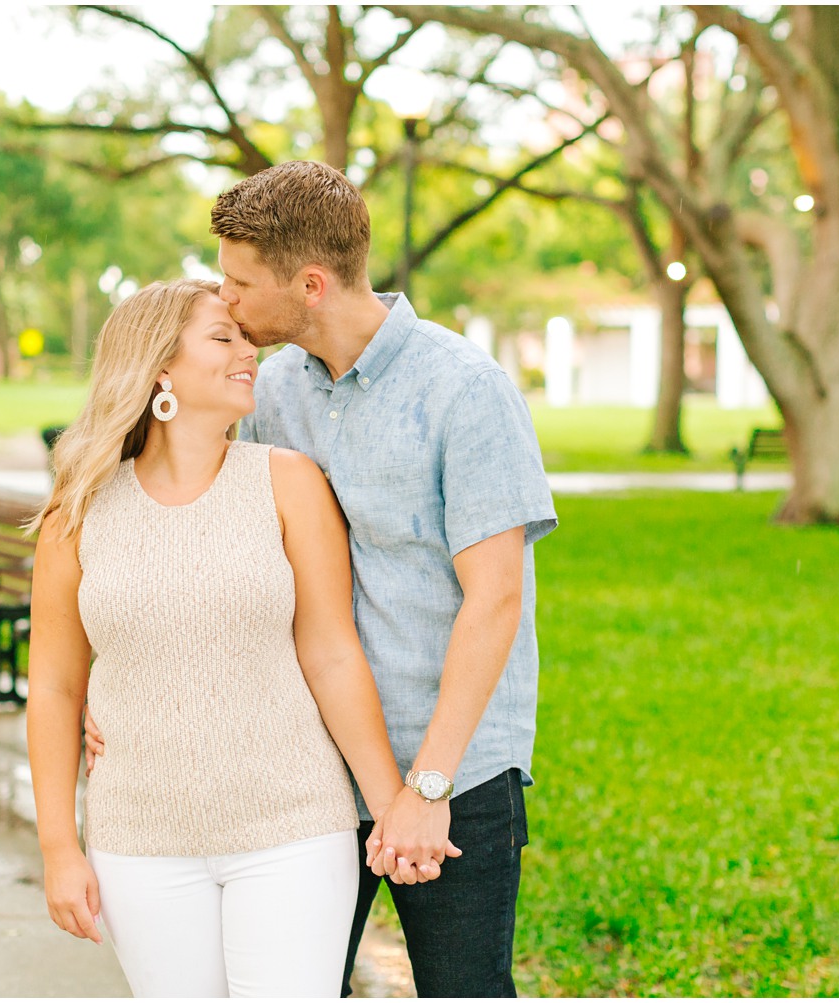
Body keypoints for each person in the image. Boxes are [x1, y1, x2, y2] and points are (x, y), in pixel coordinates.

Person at [92, 162, 558, 996]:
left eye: (238, 283)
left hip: (454, 768)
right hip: (308, 773)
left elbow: (495, 601)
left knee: (466, 991)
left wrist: (426, 786)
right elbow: (193, 552)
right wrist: (113, 697)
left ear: (309, 283)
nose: (225, 302)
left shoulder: (467, 392)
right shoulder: (267, 393)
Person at [25, 278, 427, 998]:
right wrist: (60, 846)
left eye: (246, 337)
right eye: (224, 338)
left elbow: (332, 653)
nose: (251, 352)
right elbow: (55, 687)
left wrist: (390, 801)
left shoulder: (287, 483)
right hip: (137, 841)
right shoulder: (78, 511)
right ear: (160, 369)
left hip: (292, 829)